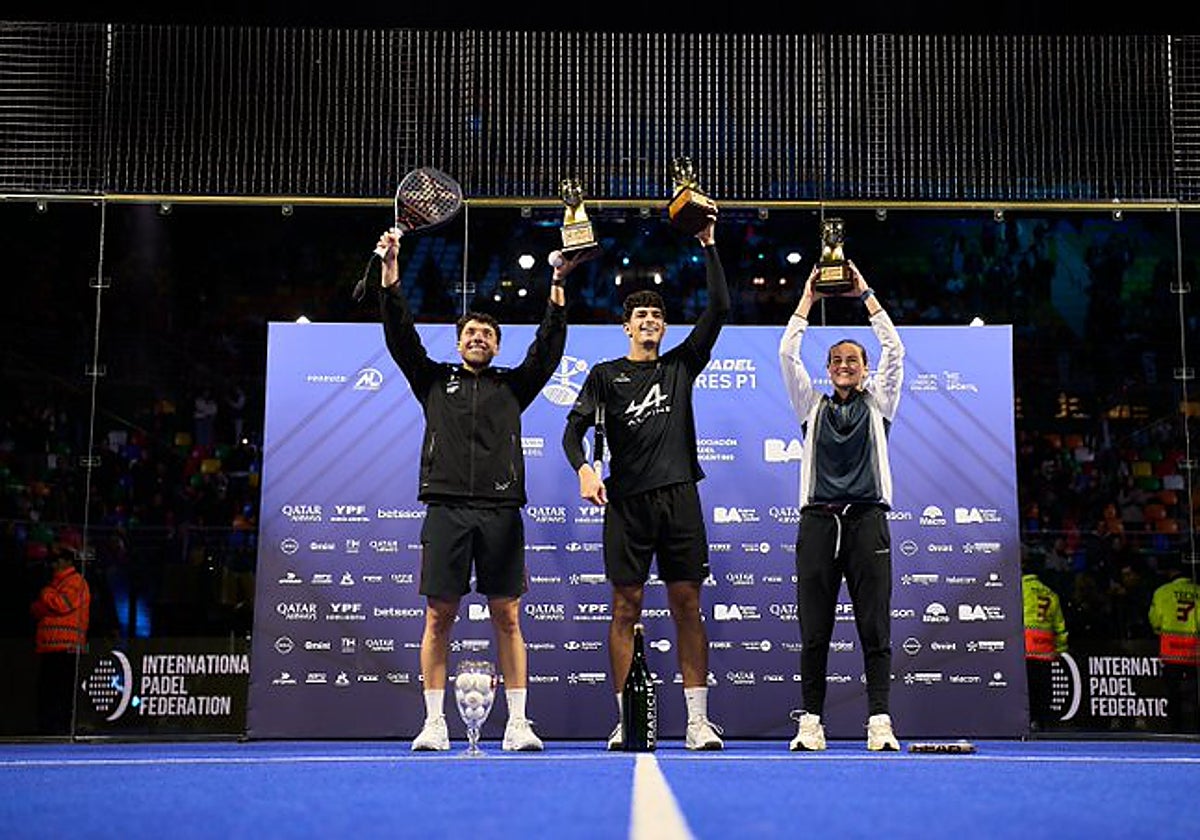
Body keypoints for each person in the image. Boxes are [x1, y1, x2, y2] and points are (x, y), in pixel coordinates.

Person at [376, 227, 583, 752]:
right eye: (470, 332)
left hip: (500, 511)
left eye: (487, 335)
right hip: (445, 508)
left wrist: (557, 282)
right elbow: (400, 334)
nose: (478, 339)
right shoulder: (432, 379)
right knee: (438, 616)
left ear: (496, 345)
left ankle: (517, 723)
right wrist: (390, 271)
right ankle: (434, 723)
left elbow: (549, 348)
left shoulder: (513, 385)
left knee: (507, 616)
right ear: (459, 340)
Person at [562, 214, 729, 751]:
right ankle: (626, 720)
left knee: (686, 606)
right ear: (627, 327)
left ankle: (698, 722)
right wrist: (586, 467)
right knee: (625, 608)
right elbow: (573, 430)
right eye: (641, 316)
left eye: (657, 315)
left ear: (664, 326)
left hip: (680, 496)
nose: (650, 321)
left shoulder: (681, 366)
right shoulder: (606, 375)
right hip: (627, 503)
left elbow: (720, 309)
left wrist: (708, 246)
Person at [777, 260, 905, 752]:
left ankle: (879, 721)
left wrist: (864, 291)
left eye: (854, 360)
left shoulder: (880, 405)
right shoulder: (811, 405)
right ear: (828, 370)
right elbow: (788, 355)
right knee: (815, 630)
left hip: (867, 521)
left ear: (865, 369)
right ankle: (811, 721)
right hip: (817, 522)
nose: (846, 366)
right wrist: (808, 298)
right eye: (838, 362)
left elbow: (895, 348)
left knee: (875, 627)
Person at [30, 532, 91, 736]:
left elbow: (61, 604)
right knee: (46, 693)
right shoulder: (54, 585)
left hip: (67, 647)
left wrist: (46, 595)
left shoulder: (76, 582)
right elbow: (37, 610)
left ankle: (65, 730)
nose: (52, 565)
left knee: (63, 692)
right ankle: (47, 730)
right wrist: (48, 599)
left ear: (66, 561)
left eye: (56, 560)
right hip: (49, 647)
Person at [1148, 559, 1199, 733]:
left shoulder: (1162, 592)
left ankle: (1175, 731)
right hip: (1195, 654)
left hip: (1171, 654)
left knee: (1173, 695)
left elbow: (1155, 622)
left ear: (1171, 573)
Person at [1022, 549, 1069, 731]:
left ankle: (1028, 722)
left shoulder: (1018, 589)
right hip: (1045, 651)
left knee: (1027, 691)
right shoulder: (1051, 594)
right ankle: (1043, 724)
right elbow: (1060, 626)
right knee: (1044, 690)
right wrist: (1061, 650)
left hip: (1024, 649)